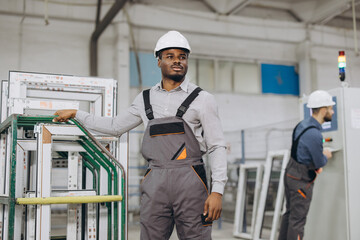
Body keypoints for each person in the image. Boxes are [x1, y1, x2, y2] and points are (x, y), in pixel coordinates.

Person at [53, 30, 227, 240]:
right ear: (159, 61)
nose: (177, 61)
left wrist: (217, 191)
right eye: (170, 56)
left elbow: (217, 146)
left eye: (182, 56)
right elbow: (115, 126)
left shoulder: (203, 99)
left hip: (190, 181)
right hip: (155, 182)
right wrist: (77, 113)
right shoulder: (145, 99)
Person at [278, 90, 335, 240]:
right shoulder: (315, 134)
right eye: (330, 108)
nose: (333, 112)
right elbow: (319, 162)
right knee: (298, 222)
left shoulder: (301, 125)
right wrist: (326, 155)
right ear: (323, 110)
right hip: (300, 181)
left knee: (289, 214)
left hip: (290, 173)